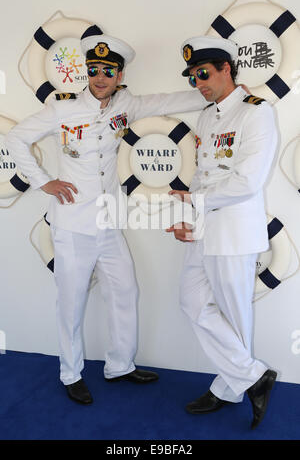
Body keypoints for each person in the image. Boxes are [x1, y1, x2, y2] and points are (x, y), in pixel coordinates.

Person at [5, 26, 208, 405]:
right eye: (94, 70)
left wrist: (217, 95)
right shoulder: (63, 108)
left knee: (125, 290)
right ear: (87, 72)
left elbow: (165, 101)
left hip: (108, 222)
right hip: (72, 223)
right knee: (72, 300)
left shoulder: (124, 105)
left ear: (120, 75)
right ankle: (70, 372)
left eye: (108, 71)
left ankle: (119, 365)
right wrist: (43, 182)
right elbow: (15, 138)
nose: (100, 78)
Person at [167, 35, 278, 429]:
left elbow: (248, 182)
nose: (198, 83)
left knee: (234, 316)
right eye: (193, 77)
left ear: (226, 68)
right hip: (203, 228)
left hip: (233, 231)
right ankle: (251, 377)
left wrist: (196, 204)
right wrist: (187, 212)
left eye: (203, 74)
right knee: (192, 301)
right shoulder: (207, 116)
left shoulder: (256, 112)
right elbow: (202, 174)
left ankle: (230, 388)